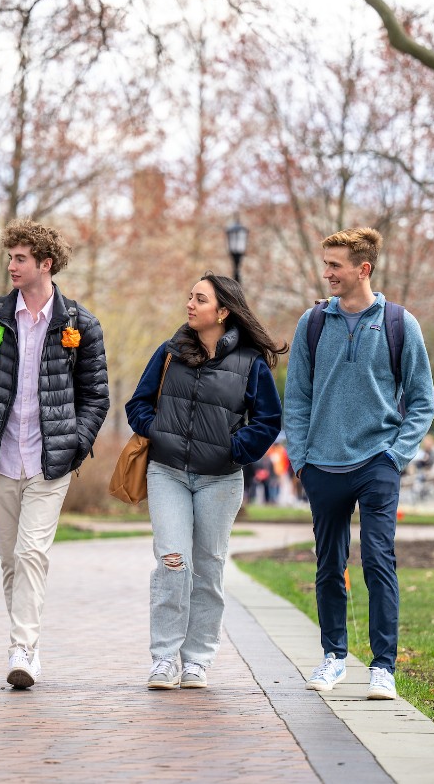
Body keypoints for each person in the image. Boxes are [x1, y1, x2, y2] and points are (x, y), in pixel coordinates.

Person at [0, 219, 109, 689]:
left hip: (50, 460)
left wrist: (76, 444)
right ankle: (25, 643)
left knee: (31, 552)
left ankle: (23, 649)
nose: (11, 265)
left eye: (21, 258)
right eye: (10, 257)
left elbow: (95, 396)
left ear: (46, 263)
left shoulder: (80, 324)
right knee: (9, 557)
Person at [283, 227, 434, 702]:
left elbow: (422, 401)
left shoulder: (398, 323)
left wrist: (396, 455)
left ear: (362, 269)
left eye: (335, 265)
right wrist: (301, 460)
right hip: (322, 465)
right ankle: (333, 656)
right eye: (326, 263)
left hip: (377, 462)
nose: (327, 272)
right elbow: (297, 399)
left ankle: (383, 667)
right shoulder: (312, 324)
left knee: (377, 560)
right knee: (328, 564)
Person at [125, 272, 285, 690]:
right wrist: (158, 431)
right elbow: (138, 403)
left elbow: (268, 420)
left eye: (200, 299)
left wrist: (235, 450)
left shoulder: (249, 363)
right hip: (168, 474)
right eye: (189, 297)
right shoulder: (169, 352)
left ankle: (196, 660)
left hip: (221, 480)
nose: (190, 305)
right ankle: (164, 659)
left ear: (223, 311)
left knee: (209, 569)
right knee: (172, 562)